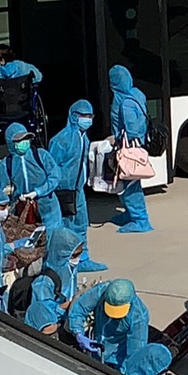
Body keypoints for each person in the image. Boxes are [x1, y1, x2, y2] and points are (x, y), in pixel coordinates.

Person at [43, 99, 105, 272]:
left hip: (78, 190)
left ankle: (82, 258)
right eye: (84, 116)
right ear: (74, 116)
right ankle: (64, 260)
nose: (88, 119)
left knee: (81, 224)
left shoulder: (83, 138)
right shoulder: (61, 140)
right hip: (62, 191)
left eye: (90, 116)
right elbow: (51, 166)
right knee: (64, 227)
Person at [106, 65, 154, 233]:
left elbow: (132, 129)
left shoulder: (124, 102)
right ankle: (130, 213)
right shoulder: (136, 93)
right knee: (125, 182)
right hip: (133, 147)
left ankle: (140, 220)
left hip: (128, 150)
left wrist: (118, 139)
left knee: (129, 185)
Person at [67, 277, 150, 371]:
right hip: (93, 346)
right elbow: (79, 309)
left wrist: (123, 372)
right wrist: (78, 333)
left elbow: (135, 352)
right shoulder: (101, 291)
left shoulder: (138, 317)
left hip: (116, 359)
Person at [0, 121, 50, 226]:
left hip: (47, 206)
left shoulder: (41, 155)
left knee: (51, 236)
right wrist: (1, 204)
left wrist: (38, 192)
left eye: (26, 138)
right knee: (24, 238)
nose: (24, 142)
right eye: (20, 139)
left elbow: (54, 177)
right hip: (21, 209)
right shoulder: (8, 163)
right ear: (11, 143)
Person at [23, 227, 85, 335]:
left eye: (80, 254)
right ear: (62, 254)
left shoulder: (70, 270)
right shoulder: (44, 282)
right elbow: (42, 316)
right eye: (74, 255)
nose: (77, 258)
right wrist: (62, 308)